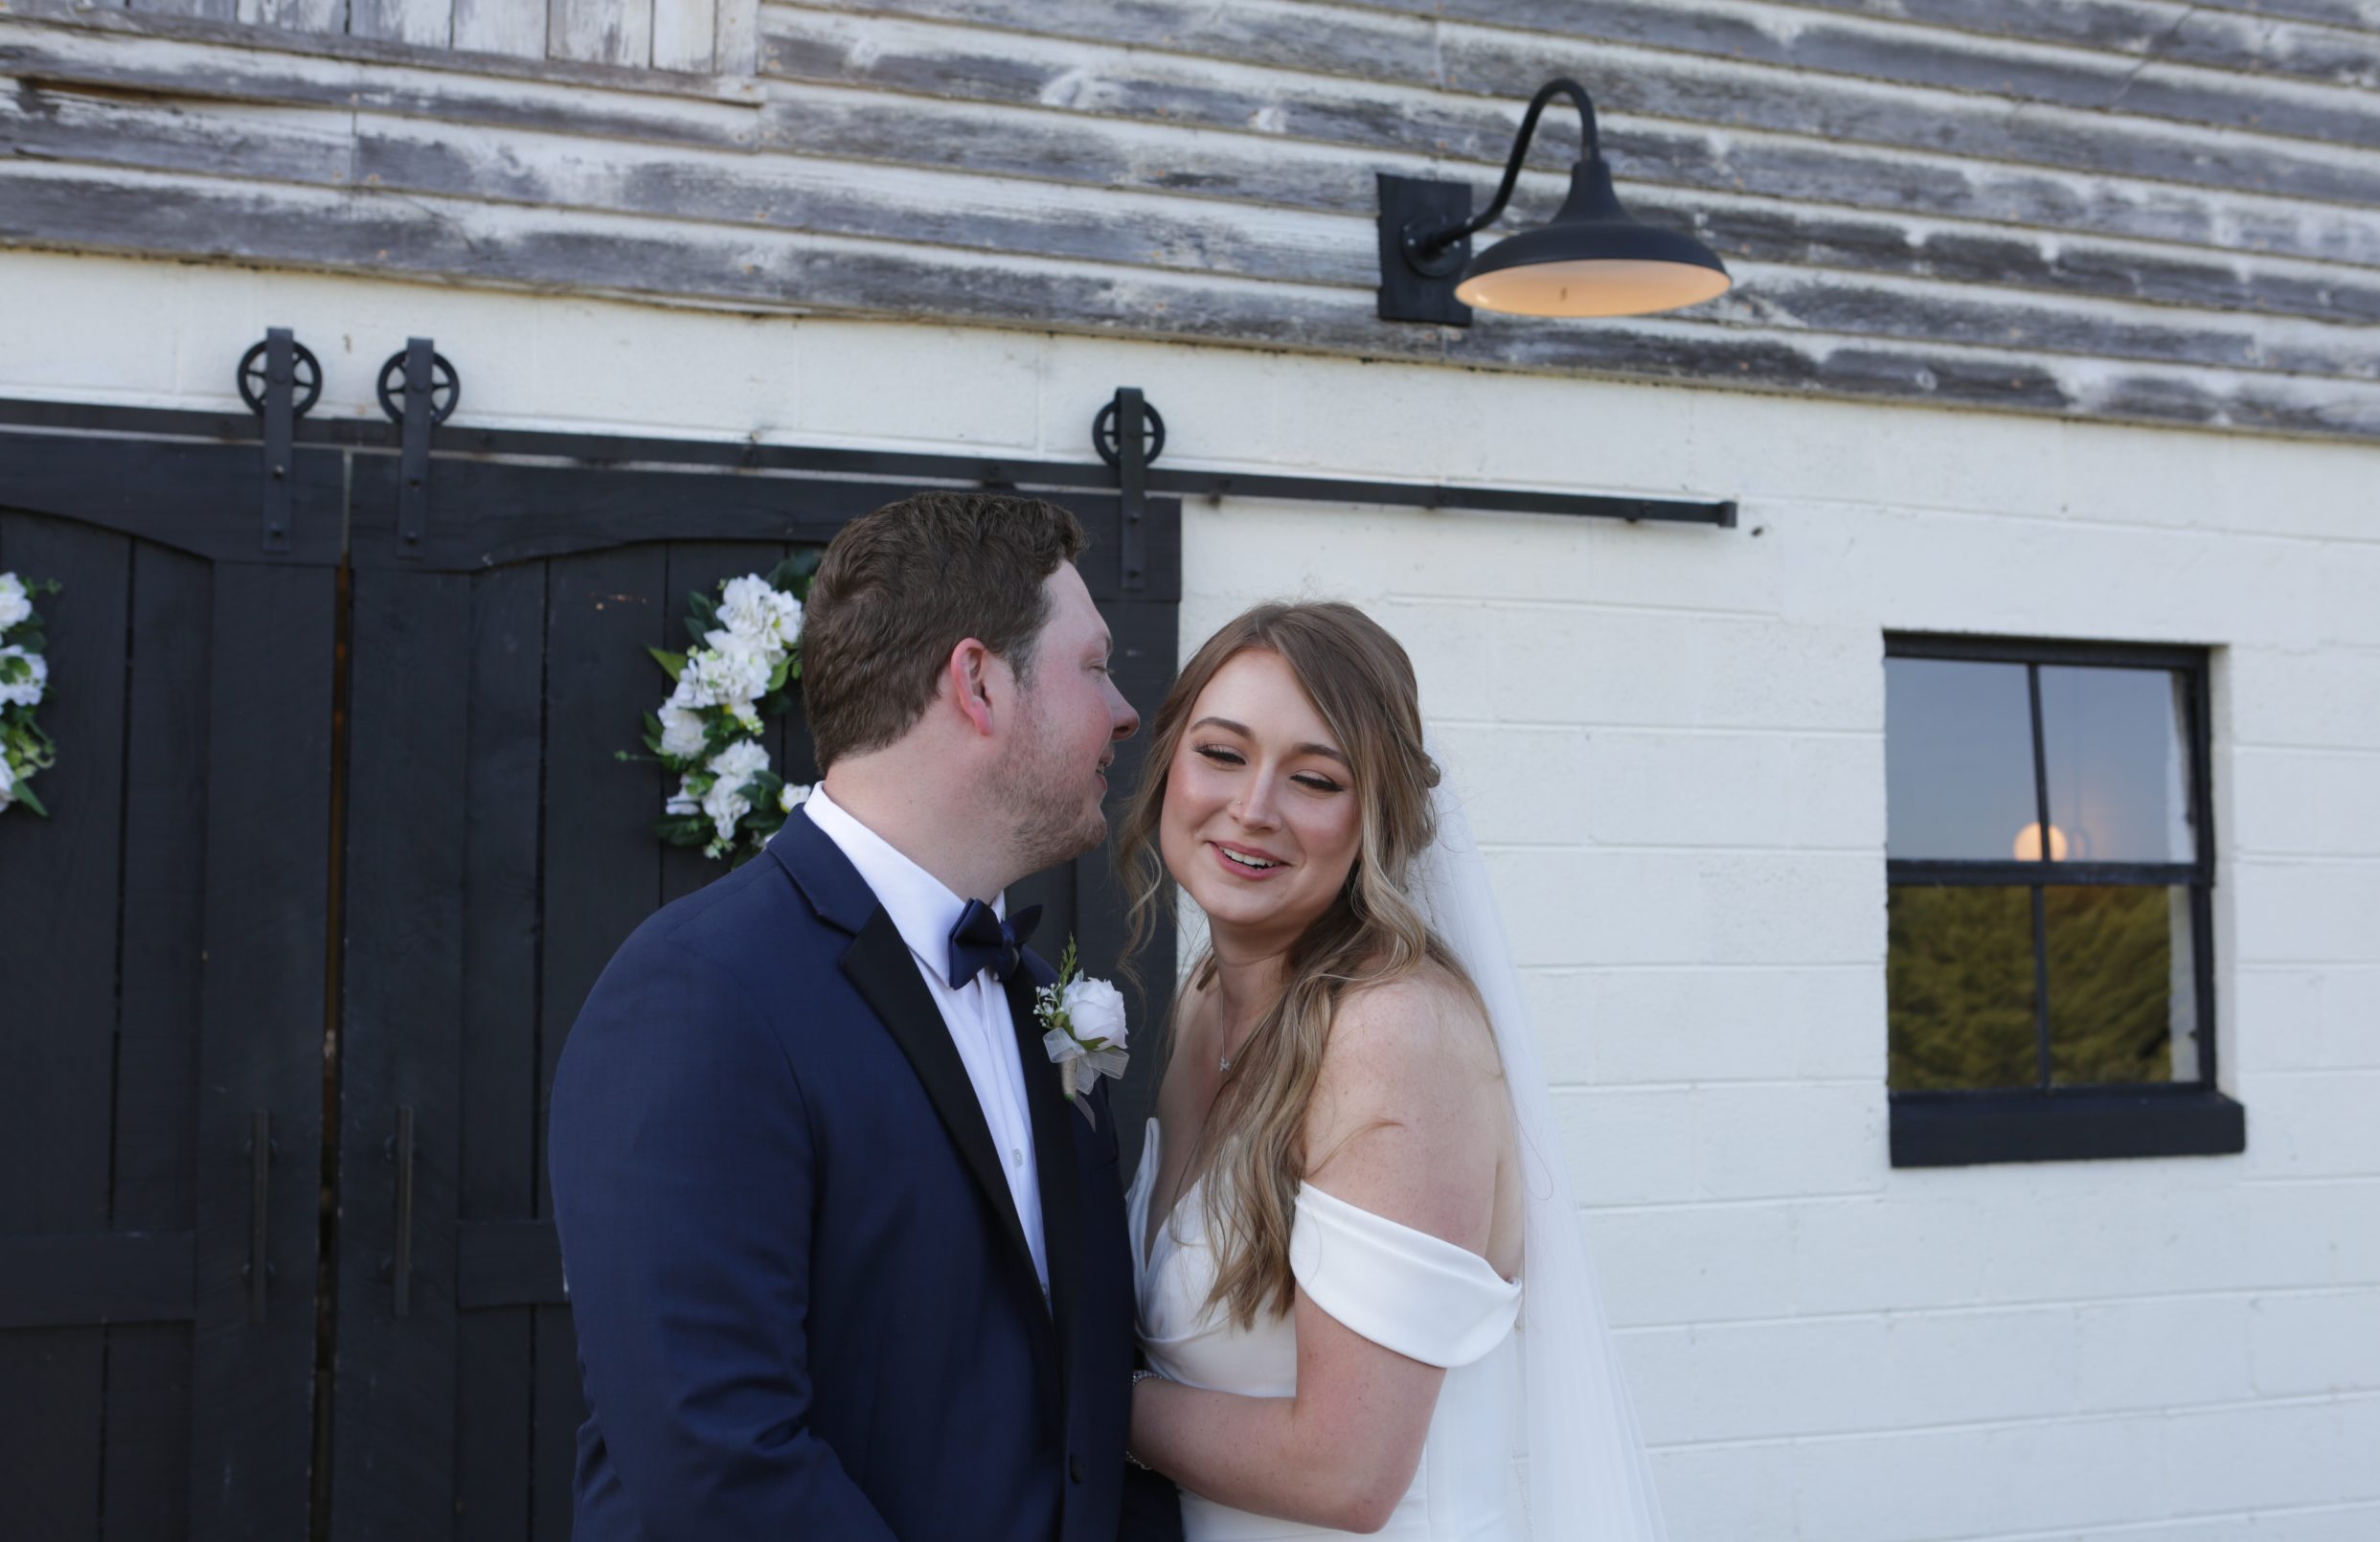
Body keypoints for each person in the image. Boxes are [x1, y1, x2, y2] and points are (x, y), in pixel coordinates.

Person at [550, 491, 1182, 1542]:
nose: (1124, 711)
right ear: (978, 682)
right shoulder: (698, 995)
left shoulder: (1033, 992)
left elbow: (1082, 1399)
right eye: (1093, 665)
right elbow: (716, 1462)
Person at [1115, 602, 1667, 1541]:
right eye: (1222, 753)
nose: (1253, 807)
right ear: (1170, 762)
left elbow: (1346, 1472)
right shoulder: (1210, 997)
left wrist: (1067, 1391)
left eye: (1314, 778)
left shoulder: (1392, 1032)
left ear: (1376, 816)